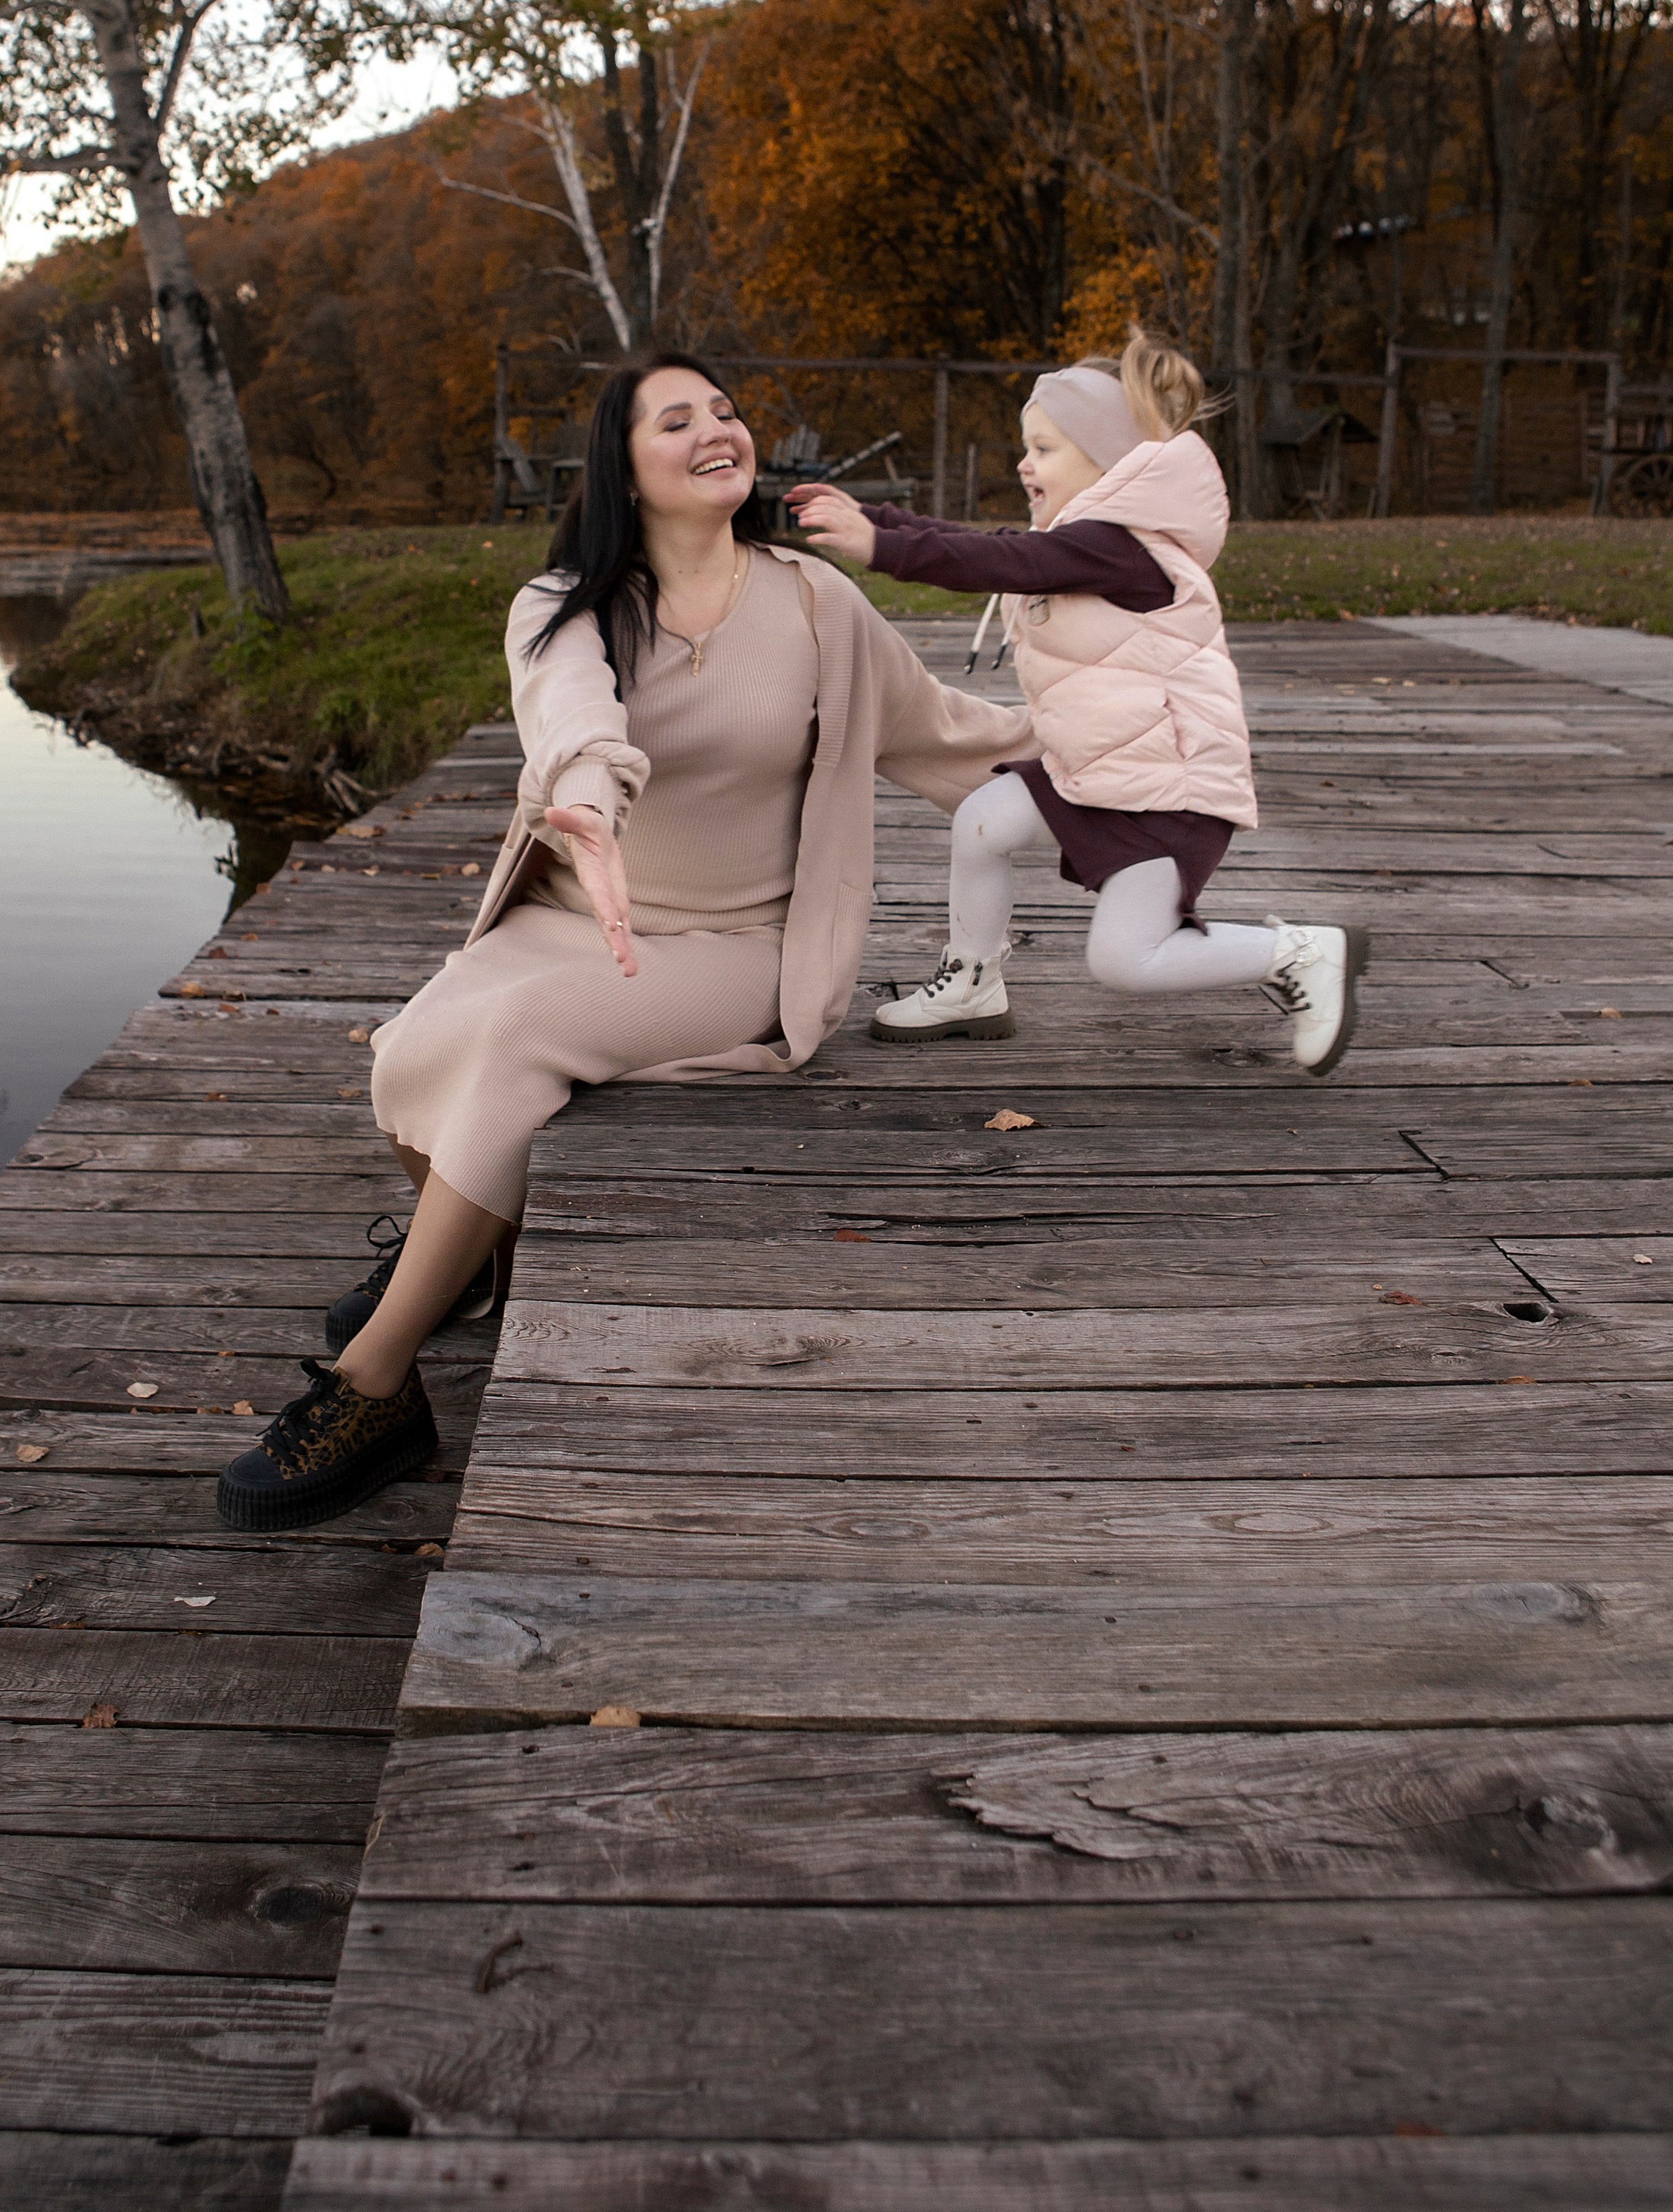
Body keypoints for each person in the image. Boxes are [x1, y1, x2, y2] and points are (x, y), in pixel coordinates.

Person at [217, 351, 1026, 1531]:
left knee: (520, 1037)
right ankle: (470, 1256)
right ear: (624, 465)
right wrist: (587, 807)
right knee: (404, 1058)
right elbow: (574, 722)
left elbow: (953, 733)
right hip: (570, 915)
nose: (717, 431)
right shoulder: (562, 606)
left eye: (728, 412)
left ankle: (377, 1382)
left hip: (736, 946)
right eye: (676, 419)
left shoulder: (816, 604)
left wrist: (1131, 760)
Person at [787, 331, 1366, 1074]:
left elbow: (1007, 561)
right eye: (1025, 447)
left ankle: (1299, 952)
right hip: (1102, 767)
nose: (1025, 464)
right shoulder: (1088, 541)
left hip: (1167, 794)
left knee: (1127, 961)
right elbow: (998, 545)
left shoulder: (1121, 545)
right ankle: (972, 984)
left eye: (1046, 449)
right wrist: (880, 517)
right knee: (984, 821)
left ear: (1109, 461)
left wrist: (882, 546)